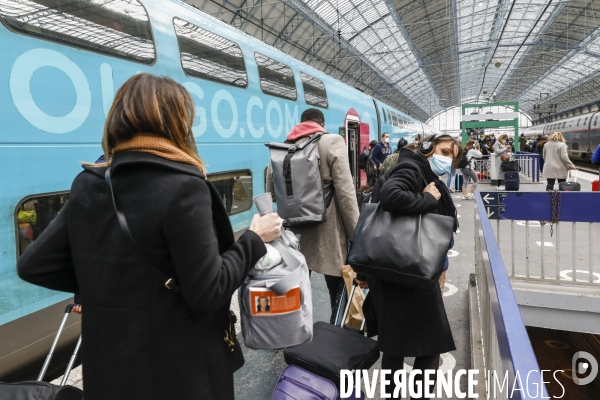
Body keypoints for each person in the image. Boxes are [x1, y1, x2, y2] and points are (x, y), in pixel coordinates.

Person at [17, 73, 282, 400]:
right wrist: (254, 238)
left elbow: (34, 265)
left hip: (109, 374)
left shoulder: (90, 183)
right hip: (181, 373)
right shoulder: (183, 187)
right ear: (175, 122)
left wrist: (107, 288)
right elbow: (208, 293)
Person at [358, 134, 460, 398]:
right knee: (430, 345)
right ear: (427, 148)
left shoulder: (425, 174)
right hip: (409, 271)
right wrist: (427, 199)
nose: (447, 159)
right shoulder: (412, 168)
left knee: (395, 343)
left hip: (397, 268)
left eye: (452, 155)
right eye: (444, 151)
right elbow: (392, 196)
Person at [266, 108, 359, 319]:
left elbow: (272, 194)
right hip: (329, 230)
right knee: (338, 289)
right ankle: (337, 334)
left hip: (295, 234)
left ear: (301, 123)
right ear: (321, 124)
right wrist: (356, 234)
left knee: (296, 286)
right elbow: (346, 193)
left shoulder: (282, 147)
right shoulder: (332, 142)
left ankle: (294, 331)